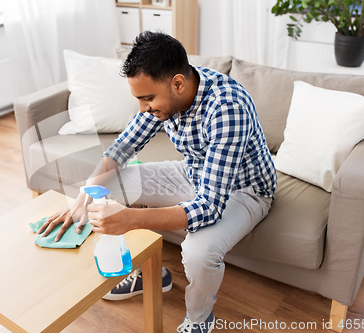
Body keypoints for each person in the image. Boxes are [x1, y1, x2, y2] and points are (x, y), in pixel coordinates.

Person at [37, 31, 277, 333]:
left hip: (243, 191)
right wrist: (82, 200)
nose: (142, 108)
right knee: (109, 184)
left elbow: (210, 207)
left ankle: (199, 320)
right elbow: (121, 149)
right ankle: (145, 274)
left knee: (198, 253)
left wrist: (130, 219)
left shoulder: (226, 108)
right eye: (139, 98)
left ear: (178, 83)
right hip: (194, 173)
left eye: (147, 98)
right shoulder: (164, 97)